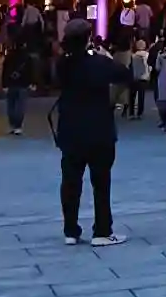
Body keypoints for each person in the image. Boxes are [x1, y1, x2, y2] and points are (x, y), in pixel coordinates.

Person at [51, 19, 133, 246]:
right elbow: (125, 75)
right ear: (88, 37)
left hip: (70, 129)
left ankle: (70, 229)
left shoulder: (62, 64)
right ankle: (102, 230)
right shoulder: (99, 62)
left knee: (70, 182)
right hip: (99, 128)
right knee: (101, 183)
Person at [2, 32, 38, 136]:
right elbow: (31, 71)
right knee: (20, 105)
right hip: (23, 83)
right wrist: (32, 82)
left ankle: (12, 125)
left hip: (11, 83)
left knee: (11, 105)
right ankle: (18, 126)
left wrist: (4, 84)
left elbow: (5, 71)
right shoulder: (27, 57)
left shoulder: (9, 56)